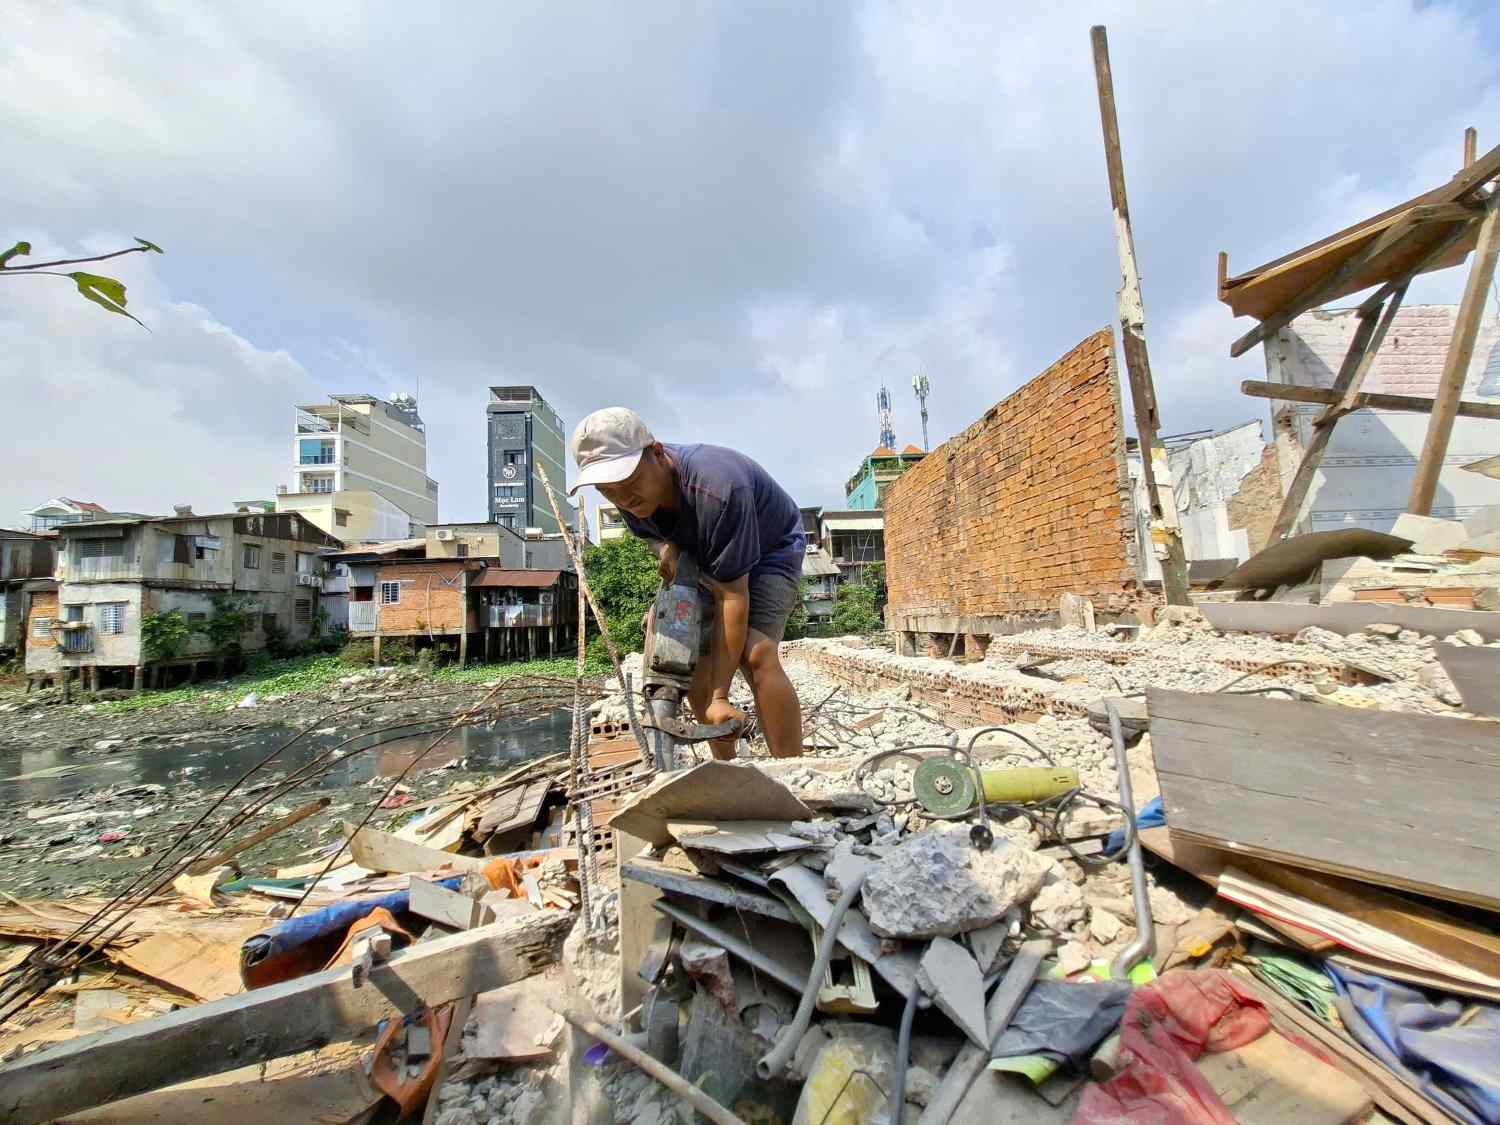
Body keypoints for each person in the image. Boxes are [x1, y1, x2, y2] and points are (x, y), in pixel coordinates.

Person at [568, 407, 806, 758]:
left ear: (658, 453)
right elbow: (653, 533)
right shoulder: (629, 498)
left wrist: (719, 696)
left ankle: (792, 769)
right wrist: (667, 548)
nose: (623, 499)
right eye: (608, 490)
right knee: (688, 654)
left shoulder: (719, 487)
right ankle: (724, 769)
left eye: (631, 483)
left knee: (756, 652)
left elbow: (732, 596)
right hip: (706, 552)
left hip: (771, 550)